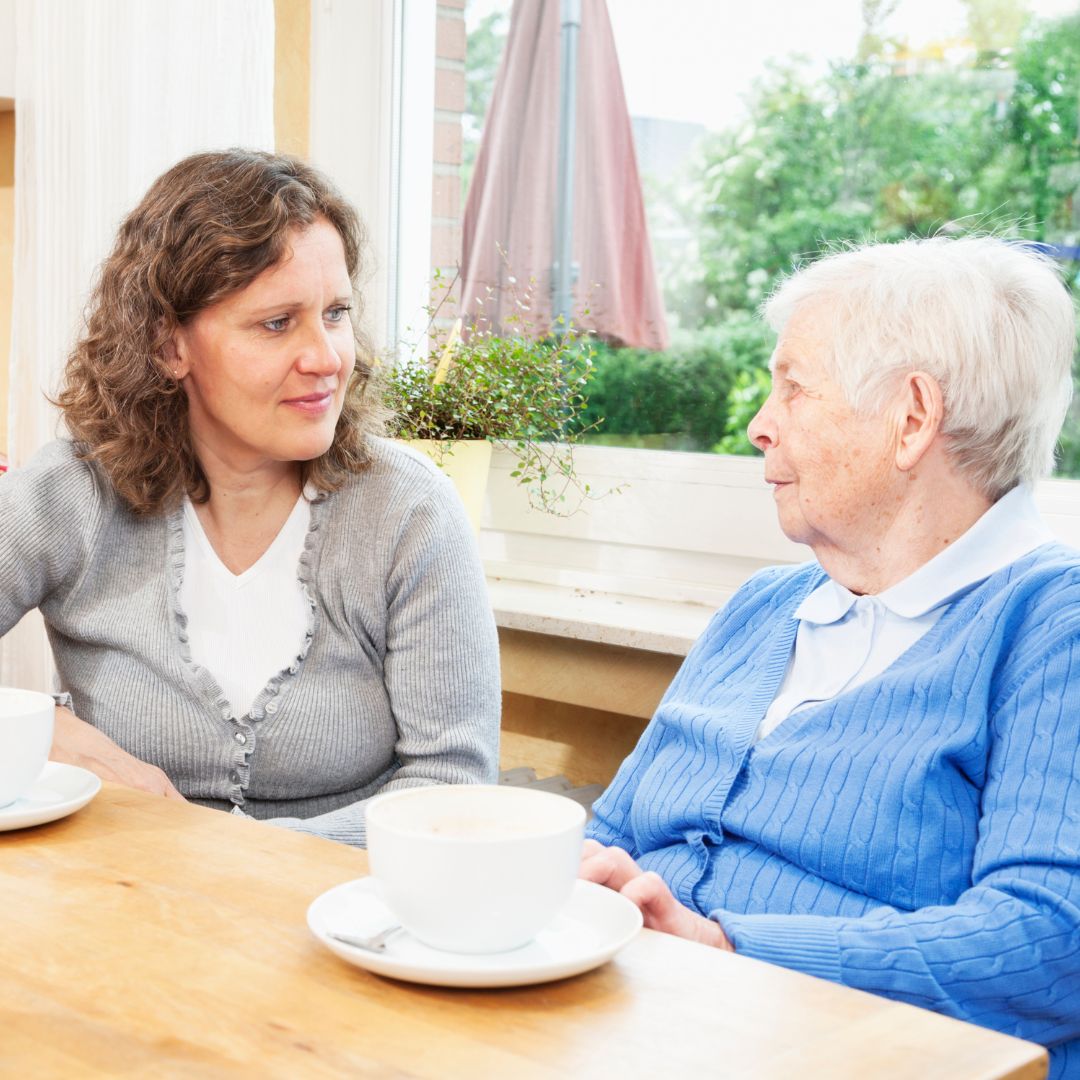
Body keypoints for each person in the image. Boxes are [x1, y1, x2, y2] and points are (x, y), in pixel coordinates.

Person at [580, 236, 1080, 1077]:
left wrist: (728, 947)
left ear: (913, 419)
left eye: (795, 389)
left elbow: (1048, 941)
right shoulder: (764, 607)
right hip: (634, 1029)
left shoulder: (1050, 624)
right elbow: (613, 834)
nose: (758, 426)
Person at [0, 149, 501, 847]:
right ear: (169, 345)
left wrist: (237, 864)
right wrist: (41, 730)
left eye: (335, 313)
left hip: (344, 917)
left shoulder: (411, 514)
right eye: (277, 323)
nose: (326, 356)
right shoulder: (73, 494)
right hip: (118, 907)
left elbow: (453, 786)